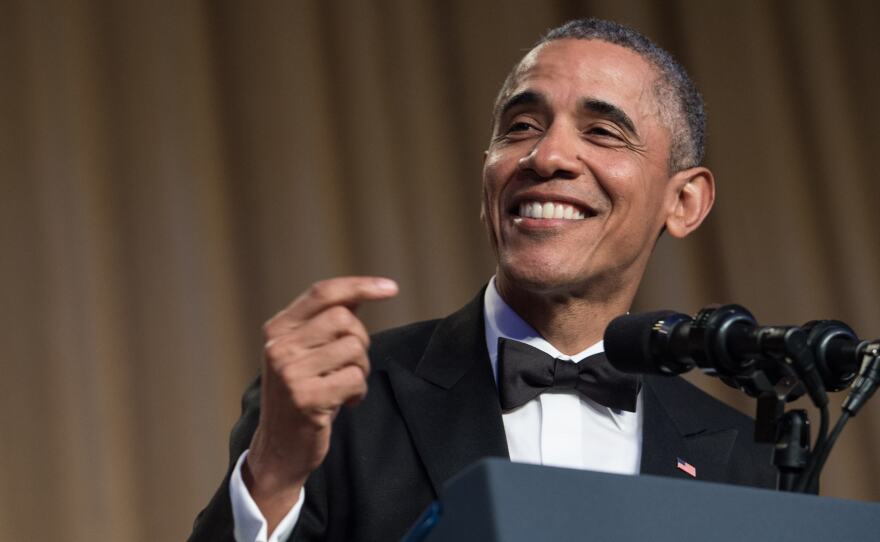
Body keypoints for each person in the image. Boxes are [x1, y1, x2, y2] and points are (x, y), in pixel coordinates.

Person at [189, 18, 776, 542]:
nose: (546, 156)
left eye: (601, 132)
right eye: (521, 125)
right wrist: (272, 475)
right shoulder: (336, 403)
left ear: (684, 202)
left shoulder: (746, 464)